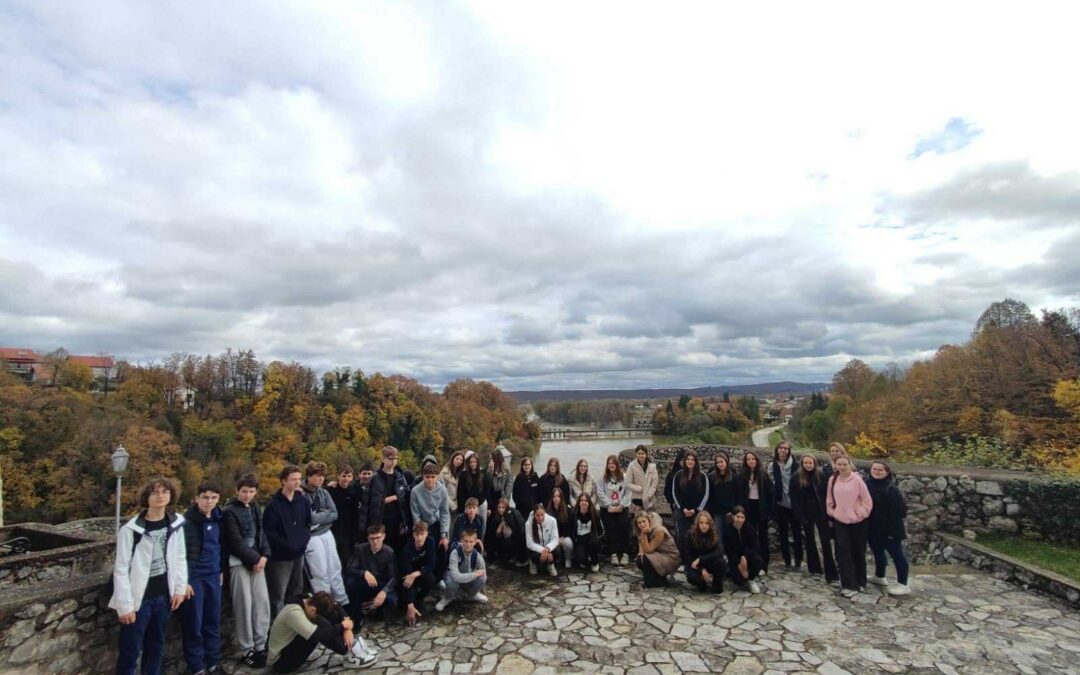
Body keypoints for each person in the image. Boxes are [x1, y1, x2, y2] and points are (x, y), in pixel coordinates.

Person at [110, 478, 188, 675]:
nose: (160, 496)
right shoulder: (131, 530)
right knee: (131, 650)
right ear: (147, 497)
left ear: (171, 495)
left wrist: (179, 588)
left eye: (165, 492)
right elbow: (121, 568)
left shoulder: (175, 524)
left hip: (164, 595)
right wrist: (125, 605)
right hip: (139, 599)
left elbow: (180, 557)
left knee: (156, 646)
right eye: (154, 492)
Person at [223, 474, 272, 669]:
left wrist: (265, 555)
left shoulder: (254, 508)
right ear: (237, 491)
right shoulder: (229, 512)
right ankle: (247, 649)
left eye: (251, 492)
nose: (247, 495)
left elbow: (262, 533)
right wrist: (254, 560)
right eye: (244, 491)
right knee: (244, 605)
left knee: (262, 603)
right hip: (239, 563)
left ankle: (261, 644)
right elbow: (234, 541)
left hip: (258, 561)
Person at [265, 591, 376, 672]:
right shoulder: (293, 613)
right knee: (320, 624)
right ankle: (348, 650)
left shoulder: (310, 599)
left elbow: (337, 606)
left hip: (291, 647)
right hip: (282, 662)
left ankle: (349, 646)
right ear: (313, 609)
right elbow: (318, 635)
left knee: (331, 615)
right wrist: (342, 626)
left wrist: (347, 628)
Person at [181, 481, 225, 675]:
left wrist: (221, 569)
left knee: (213, 621)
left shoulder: (218, 518)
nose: (209, 502)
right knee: (194, 625)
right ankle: (197, 667)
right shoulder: (186, 523)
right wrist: (185, 580)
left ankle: (214, 663)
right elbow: (180, 553)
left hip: (213, 575)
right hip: (195, 578)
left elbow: (221, 547)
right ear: (197, 498)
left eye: (213, 498)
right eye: (205, 497)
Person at [263, 465, 312, 618]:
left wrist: (302, 543)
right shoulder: (273, 505)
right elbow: (270, 532)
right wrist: (288, 545)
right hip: (281, 557)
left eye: (299, 479)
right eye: (293, 479)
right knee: (278, 593)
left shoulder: (303, 501)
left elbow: (307, 524)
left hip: (299, 554)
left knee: (296, 590)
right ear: (283, 481)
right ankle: (277, 626)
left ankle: (294, 622)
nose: (297, 482)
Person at [302, 462, 349, 608]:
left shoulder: (324, 492)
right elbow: (310, 519)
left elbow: (334, 513)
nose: (321, 479)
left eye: (322, 476)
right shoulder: (301, 494)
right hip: (311, 538)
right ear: (309, 476)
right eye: (317, 476)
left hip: (327, 533)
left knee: (335, 569)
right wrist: (324, 515)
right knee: (319, 573)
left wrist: (320, 517)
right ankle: (326, 607)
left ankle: (342, 603)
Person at [826, 455, 873, 598]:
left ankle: (861, 581)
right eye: (839, 464)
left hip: (858, 522)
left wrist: (860, 513)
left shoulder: (857, 480)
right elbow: (829, 499)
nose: (841, 467)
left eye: (844, 464)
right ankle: (848, 584)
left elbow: (867, 500)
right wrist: (832, 512)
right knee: (843, 553)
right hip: (841, 521)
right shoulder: (832, 480)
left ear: (849, 465)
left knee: (858, 552)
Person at [789, 455, 838, 583]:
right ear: (802, 464)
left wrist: (829, 513)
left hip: (820, 511)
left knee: (825, 542)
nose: (808, 465)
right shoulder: (796, 477)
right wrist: (799, 515)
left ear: (814, 463)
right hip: (806, 513)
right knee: (810, 541)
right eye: (805, 462)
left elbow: (828, 495)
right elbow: (794, 499)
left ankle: (831, 573)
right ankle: (815, 569)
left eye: (810, 462)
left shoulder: (821, 475)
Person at [359, 446, 415, 556]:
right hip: (380, 520)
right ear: (383, 459)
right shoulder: (375, 478)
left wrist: (405, 523)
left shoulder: (400, 477)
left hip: (397, 520)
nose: (393, 461)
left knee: (397, 550)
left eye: (395, 458)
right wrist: (388, 499)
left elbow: (406, 500)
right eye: (390, 458)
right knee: (381, 551)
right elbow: (366, 504)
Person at [866, 461, 911, 596]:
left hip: (890, 529)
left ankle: (903, 583)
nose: (877, 471)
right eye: (875, 469)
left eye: (880, 470)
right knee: (877, 551)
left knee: (897, 555)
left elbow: (900, 512)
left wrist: (892, 531)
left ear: (886, 472)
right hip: (873, 527)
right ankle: (880, 576)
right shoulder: (867, 484)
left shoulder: (892, 489)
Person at [344, 525, 398, 621]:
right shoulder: (360, 549)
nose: (375, 541)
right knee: (350, 582)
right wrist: (364, 572)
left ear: (384, 536)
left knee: (392, 600)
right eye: (372, 538)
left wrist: (384, 591)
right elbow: (349, 568)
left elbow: (394, 576)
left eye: (378, 537)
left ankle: (377, 609)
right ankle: (356, 614)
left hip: (380, 583)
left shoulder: (389, 552)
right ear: (368, 538)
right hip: (365, 582)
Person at [409, 464, 451, 578]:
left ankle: (439, 578)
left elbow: (444, 512)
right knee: (423, 549)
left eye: (433, 477)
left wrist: (444, 535)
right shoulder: (415, 491)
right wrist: (420, 532)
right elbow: (415, 513)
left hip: (435, 523)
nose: (430, 479)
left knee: (442, 548)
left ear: (437, 477)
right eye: (427, 476)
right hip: (422, 524)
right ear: (423, 476)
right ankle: (422, 576)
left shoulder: (442, 490)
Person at [736, 451, 773, 574]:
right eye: (749, 459)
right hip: (748, 507)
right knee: (749, 536)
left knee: (763, 537)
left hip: (760, 507)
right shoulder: (742, 476)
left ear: (757, 461)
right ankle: (751, 562)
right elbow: (740, 494)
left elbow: (770, 493)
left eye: (753, 459)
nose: (751, 461)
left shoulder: (763, 475)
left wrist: (768, 510)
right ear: (745, 462)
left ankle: (764, 565)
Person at [436, 528, 488, 611]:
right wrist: (474, 574)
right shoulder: (455, 553)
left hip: (466, 575)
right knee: (451, 583)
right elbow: (456, 577)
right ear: (461, 541)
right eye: (466, 541)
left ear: (475, 542)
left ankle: (472, 595)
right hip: (453, 576)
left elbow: (483, 571)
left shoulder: (476, 554)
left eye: (471, 542)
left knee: (483, 577)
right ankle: (448, 597)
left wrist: (476, 574)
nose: (468, 544)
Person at [770, 442, 803, 570]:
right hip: (780, 504)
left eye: (785, 448)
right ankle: (787, 560)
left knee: (797, 533)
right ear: (777, 450)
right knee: (783, 534)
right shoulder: (772, 466)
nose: (783, 450)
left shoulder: (796, 465)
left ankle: (798, 561)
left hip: (794, 504)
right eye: (781, 448)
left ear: (789, 451)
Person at [399, 520, 437, 626]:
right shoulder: (407, 549)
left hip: (420, 572)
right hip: (407, 574)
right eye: (417, 534)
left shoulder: (430, 541)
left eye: (422, 534)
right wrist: (410, 605)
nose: (419, 538)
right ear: (413, 535)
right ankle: (410, 604)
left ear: (426, 533)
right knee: (404, 598)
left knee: (431, 579)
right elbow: (407, 577)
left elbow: (431, 565)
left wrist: (416, 574)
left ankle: (419, 600)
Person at [597, 454, 633, 566]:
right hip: (607, 508)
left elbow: (628, 492)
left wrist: (621, 506)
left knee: (624, 528)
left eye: (613, 463)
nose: (611, 465)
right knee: (610, 530)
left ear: (617, 465)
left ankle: (625, 554)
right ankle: (613, 554)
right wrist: (609, 506)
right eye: (609, 464)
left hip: (622, 507)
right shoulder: (602, 478)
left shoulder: (624, 477)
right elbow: (600, 493)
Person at [632, 511, 681, 588]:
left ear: (648, 520)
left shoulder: (659, 531)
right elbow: (641, 551)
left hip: (670, 557)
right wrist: (640, 557)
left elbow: (648, 550)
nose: (642, 524)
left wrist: (644, 535)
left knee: (645, 559)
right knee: (639, 560)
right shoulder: (642, 531)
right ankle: (657, 578)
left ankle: (654, 581)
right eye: (639, 523)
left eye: (644, 521)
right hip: (658, 555)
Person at [671, 449, 709, 546]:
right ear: (685, 461)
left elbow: (705, 495)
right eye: (688, 459)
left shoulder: (702, 476)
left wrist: (696, 510)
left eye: (692, 460)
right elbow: (675, 493)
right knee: (682, 537)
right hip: (681, 513)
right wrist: (683, 509)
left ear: (696, 462)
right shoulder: (678, 475)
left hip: (697, 513)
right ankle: (684, 558)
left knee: (697, 537)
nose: (690, 461)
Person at [723, 506, 763, 594]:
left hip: (748, 556)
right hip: (735, 559)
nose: (740, 520)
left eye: (742, 517)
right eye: (737, 517)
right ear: (733, 516)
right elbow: (729, 551)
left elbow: (756, 546)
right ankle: (731, 571)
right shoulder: (727, 530)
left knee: (759, 561)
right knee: (740, 582)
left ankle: (751, 579)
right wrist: (739, 562)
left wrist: (745, 557)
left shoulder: (750, 529)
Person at [683, 511, 726, 593]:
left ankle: (716, 583)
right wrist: (701, 569)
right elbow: (687, 555)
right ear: (697, 523)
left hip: (708, 562)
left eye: (706, 523)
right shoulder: (690, 534)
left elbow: (719, 551)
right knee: (693, 577)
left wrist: (701, 559)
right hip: (695, 565)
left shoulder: (714, 533)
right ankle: (702, 583)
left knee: (721, 562)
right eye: (701, 523)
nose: (704, 526)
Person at [326, 465, 360, 566]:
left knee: (347, 559)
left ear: (352, 477)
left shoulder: (355, 491)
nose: (346, 479)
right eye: (344, 476)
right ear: (338, 476)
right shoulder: (330, 490)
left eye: (349, 476)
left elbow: (356, 514)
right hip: (333, 529)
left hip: (349, 531)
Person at [457, 452, 492, 538]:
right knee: (468, 527)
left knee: (482, 526)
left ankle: (480, 544)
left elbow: (488, 491)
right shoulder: (463, 475)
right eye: (471, 462)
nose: (473, 464)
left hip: (481, 504)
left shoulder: (484, 474)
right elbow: (460, 493)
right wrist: (461, 508)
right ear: (468, 463)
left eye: (475, 462)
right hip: (469, 505)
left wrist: (489, 507)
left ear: (478, 462)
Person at [485, 497, 527, 568]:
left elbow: (518, 529)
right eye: (499, 507)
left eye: (503, 507)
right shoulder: (498, 517)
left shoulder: (510, 515)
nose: (501, 509)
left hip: (516, 538)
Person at [570, 492, 605, 572]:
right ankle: (585, 558)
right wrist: (574, 539)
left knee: (593, 544)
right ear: (578, 502)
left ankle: (595, 562)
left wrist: (596, 539)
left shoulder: (594, 514)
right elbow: (570, 530)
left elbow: (601, 531)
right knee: (581, 559)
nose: (583, 502)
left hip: (591, 541)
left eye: (586, 501)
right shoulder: (574, 514)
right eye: (581, 500)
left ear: (589, 503)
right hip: (580, 541)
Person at [525, 503, 562, 577]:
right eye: (537, 515)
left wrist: (547, 549)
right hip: (537, 549)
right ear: (534, 515)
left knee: (557, 552)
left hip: (548, 548)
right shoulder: (529, 524)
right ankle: (533, 563)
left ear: (545, 513)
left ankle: (550, 564)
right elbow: (529, 543)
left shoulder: (552, 521)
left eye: (542, 515)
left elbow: (555, 539)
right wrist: (543, 550)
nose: (540, 518)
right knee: (534, 556)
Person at [707, 451, 738, 539]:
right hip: (717, 511)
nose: (720, 464)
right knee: (718, 534)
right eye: (718, 462)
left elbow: (737, 494)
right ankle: (721, 552)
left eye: (722, 461)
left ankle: (730, 552)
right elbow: (710, 495)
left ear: (726, 462)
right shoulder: (712, 477)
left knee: (730, 534)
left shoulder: (734, 477)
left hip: (730, 511)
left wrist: (734, 510)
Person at [626, 445, 659, 516]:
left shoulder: (652, 466)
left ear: (646, 454)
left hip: (650, 499)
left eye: (643, 453)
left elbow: (654, 483)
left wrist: (648, 495)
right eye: (639, 453)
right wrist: (639, 489)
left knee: (651, 520)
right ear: (636, 454)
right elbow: (627, 483)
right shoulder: (631, 466)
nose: (641, 455)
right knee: (639, 521)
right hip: (637, 498)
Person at [547, 487, 574, 568]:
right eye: (554, 496)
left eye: (558, 496)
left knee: (568, 542)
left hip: (564, 537)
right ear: (552, 498)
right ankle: (555, 559)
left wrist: (563, 537)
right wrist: (555, 539)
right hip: (553, 538)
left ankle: (568, 559)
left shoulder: (567, 510)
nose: (556, 499)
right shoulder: (548, 511)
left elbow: (570, 527)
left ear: (561, 498)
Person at [488, 445, 515, 512]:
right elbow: (488, 486)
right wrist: (490, 472)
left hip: (502, 498)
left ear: (497, 459)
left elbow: (508, 489)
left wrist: (505, 502)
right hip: (491, 499)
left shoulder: (507, 471)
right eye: (490, 458)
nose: (490, 460)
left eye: (492, 458)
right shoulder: (489, 470)